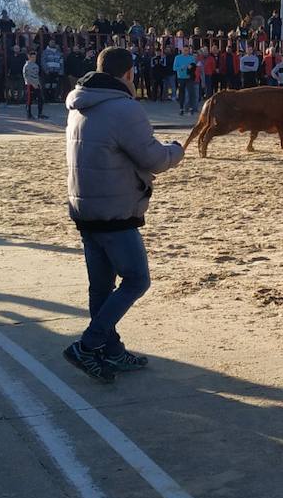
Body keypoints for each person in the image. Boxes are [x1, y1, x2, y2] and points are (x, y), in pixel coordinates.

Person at [63, 47, 184, 383]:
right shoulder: (122, 107)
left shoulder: (78, 103)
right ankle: (87, 346)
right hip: (114, 211)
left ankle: (110, 350)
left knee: (100, 287)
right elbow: (153, 158)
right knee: (136, 280)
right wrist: (176, 151)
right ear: (129, 74)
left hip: (84, 207)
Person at [23, 49, 46, 120]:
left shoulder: (36, 65)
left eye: (35, 57)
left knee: (41, 99)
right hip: (29, 85)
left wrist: (38, 84)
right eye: (32, 57)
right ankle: (29, 114)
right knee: (29, 100)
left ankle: (40, 114)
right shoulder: (26, 66)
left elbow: (37, 76)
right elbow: (26, 76)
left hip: (37, 84)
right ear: (29, 57)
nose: (34, 59)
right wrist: (32, 84)